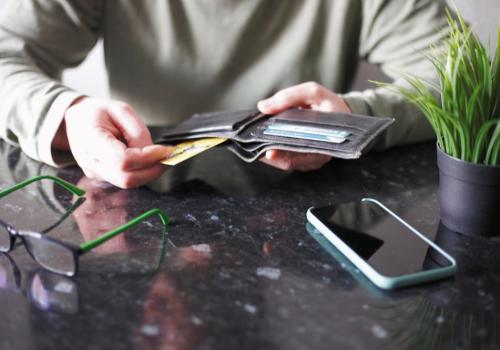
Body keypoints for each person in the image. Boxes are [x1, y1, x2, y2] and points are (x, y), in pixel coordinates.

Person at [0, 0, 448, 189]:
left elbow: (459, 75)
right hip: (139, 198)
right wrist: (67, 115)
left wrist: (351, 119)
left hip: (305, 208)